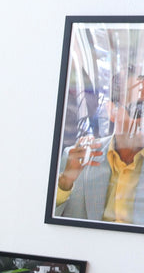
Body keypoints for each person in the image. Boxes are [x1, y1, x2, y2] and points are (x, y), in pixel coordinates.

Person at [55, 66, 144, 224]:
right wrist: (64, 183)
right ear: (112, 110)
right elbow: (47, 230)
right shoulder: (78, 160)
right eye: (138, 109)